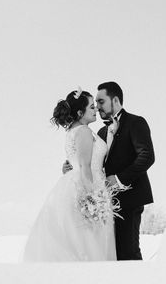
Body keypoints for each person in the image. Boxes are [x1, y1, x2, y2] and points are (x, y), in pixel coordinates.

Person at [22, 90, 116, 261]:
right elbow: (84, 165)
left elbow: (76, 163)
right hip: (87, 186)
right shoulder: (84, 131)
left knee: (77, 241)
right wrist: (92, 197)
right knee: (89, 241)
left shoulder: (73, 131)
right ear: (80, 113)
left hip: (74, 184)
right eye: (92, 107)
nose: (95, 110)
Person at [94, 81, 155, 260]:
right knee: (113, 255)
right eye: (96, 103)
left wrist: (119, 179)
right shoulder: (101, 133)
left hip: (131, 199)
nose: (97, 107)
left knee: (129, 253)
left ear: (115, 100)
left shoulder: (136, 123)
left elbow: (147, 156)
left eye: (101, 101)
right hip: (106, 204)